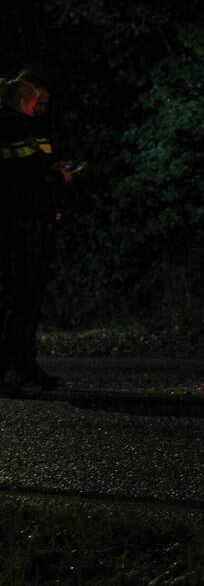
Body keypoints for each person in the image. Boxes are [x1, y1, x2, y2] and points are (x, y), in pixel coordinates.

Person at [0, 72, 72, 390]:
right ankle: (13, 368)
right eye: (36, 101)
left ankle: (22, 366)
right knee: (21, 296)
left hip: (22, 220)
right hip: (21, 223)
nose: (39, 107)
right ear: (23, 101)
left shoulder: (16, 127)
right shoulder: (18, 129)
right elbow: (28, 176)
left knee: (21, 297)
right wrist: (59, 178)